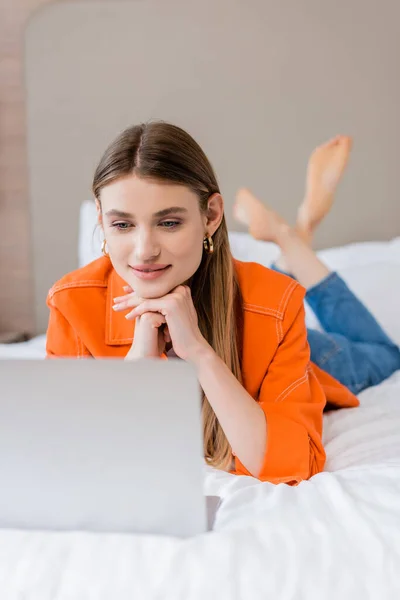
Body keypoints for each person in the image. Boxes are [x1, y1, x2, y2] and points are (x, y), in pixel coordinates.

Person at [46, 122, 359, 485]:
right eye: (122, 225)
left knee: (383, 354)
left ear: (210, 216)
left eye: (168, 222)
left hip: (316, 361)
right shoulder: (71, 303)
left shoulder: (275, 306)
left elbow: (292, 465)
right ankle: (293, 239)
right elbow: (76, 453)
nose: (145, 251)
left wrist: (198, 351)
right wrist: (141, 364)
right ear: (100, 218)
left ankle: (293, 236)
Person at [233, 136, 400, 396]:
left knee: (385, 357)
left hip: (271, 351)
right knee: (386, 355)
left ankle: (294, 233)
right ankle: (293, 233)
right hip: (269, 338)